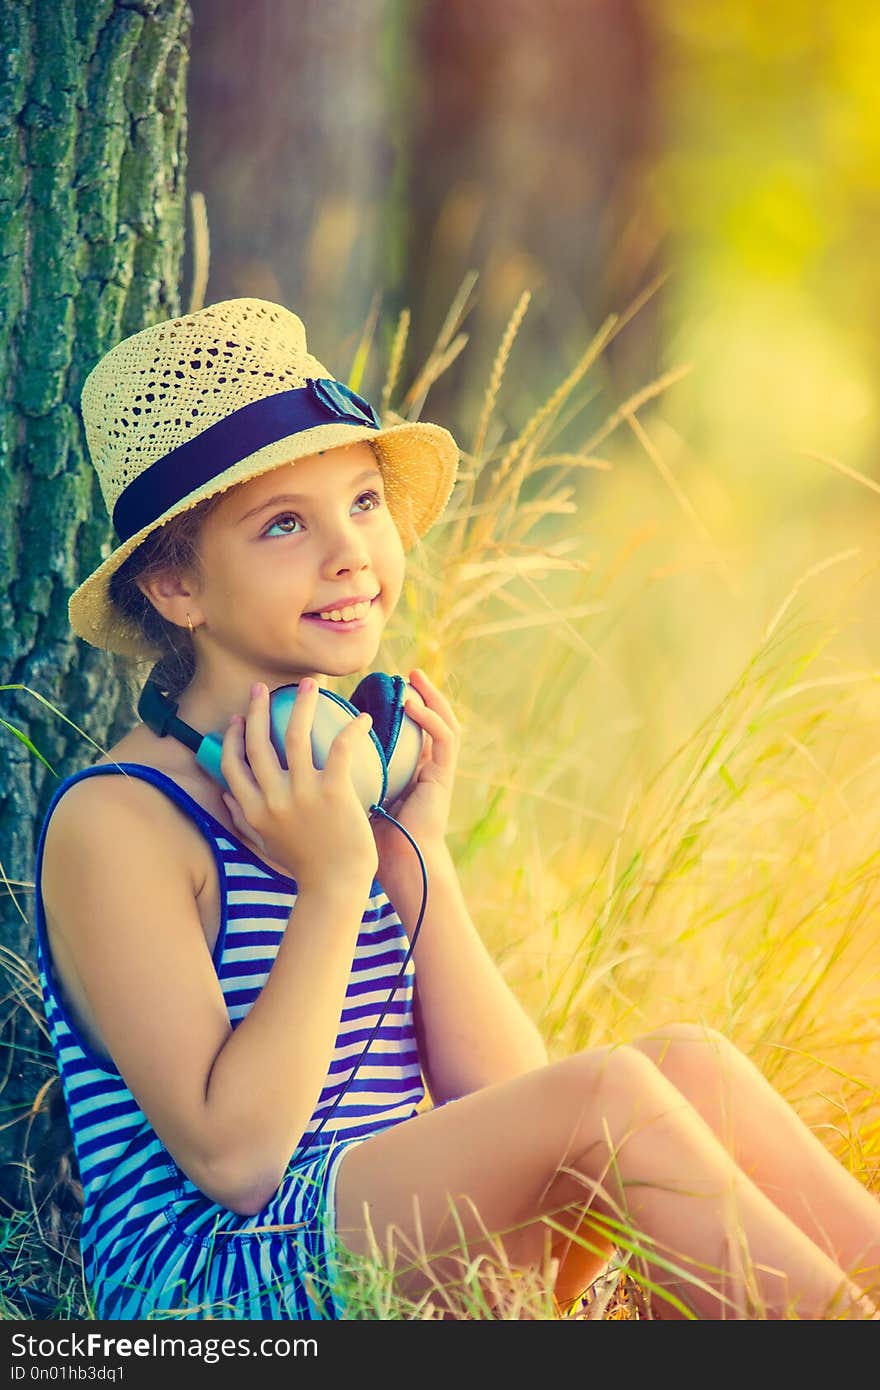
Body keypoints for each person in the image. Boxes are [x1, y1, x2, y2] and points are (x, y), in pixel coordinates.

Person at [32, 297, 880, 1322]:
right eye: (285, 524)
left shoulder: (353, 775)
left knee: (685, 1068)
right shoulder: (119, 824)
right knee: (609, 1093)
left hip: (377, 1239)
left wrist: (411, 856)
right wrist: (335, 879)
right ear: (175, 586)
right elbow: (237, 1159)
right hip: (216, 1288)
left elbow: (511, 1102)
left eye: (362, 503)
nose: (349, 553)